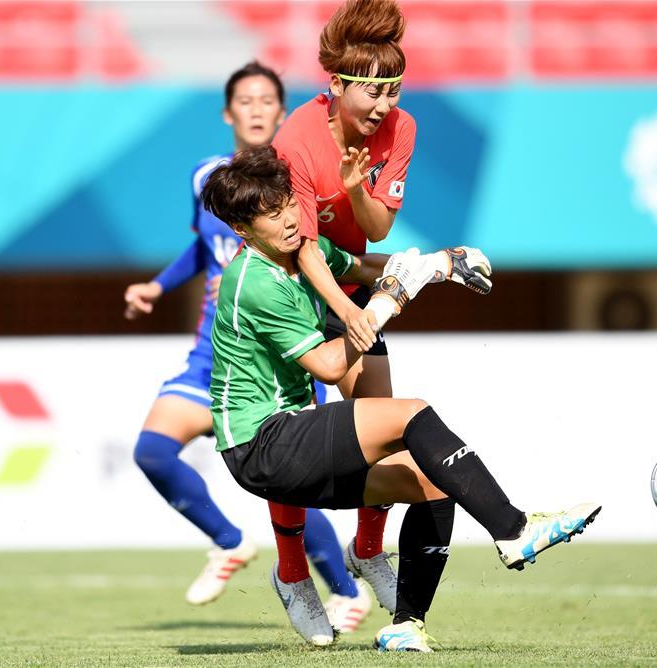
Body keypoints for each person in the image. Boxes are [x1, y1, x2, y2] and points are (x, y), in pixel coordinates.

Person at [201, 145, 601, 652]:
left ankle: (406, 625)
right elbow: (329, 365)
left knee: (433, 482)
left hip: (292, 437)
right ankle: (513, 528)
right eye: (269, 214)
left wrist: (440, 264)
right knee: (410, 414)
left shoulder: (306, 248)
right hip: (260, 446)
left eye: (287, 204)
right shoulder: (253, 280)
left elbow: (368, 266)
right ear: (243, 230)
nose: (286, 219)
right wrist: (389, 300)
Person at [123, 62, 371, 629]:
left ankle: (342, 588)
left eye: (267, 101)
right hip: (215, 352)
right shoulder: (208, 180)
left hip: (281, 353)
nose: (257, 109)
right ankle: (231, 542)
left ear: (282, 113)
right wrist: (157, 286)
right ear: (228, 113)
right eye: (246, 100)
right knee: (152, 450)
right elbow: (203, 246)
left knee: (291, 487)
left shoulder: (297, 181)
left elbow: (321, 252)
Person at [270, 0, 416, 616]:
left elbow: (378, 230)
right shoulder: (295, 139)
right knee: (294, 441)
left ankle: (367, 548)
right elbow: (300, 247)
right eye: (373, 92)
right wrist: (348, 312)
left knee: (381, 420)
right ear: (335, 85)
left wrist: (357, 188)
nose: (385, 106)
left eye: (395, 90)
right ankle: (293, 573)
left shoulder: (401, 129)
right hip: (290, 291)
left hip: (349, 280)